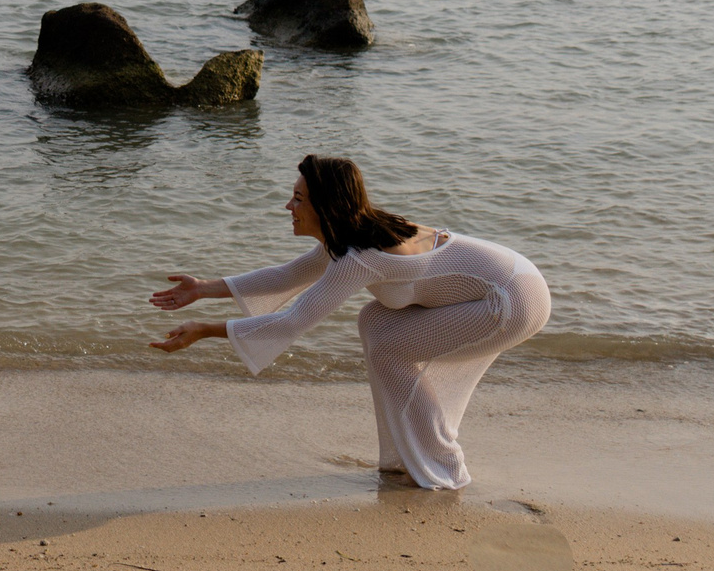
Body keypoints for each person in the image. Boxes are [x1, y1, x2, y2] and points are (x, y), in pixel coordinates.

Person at [148, 155, 549, 490]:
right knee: (375, 321)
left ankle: (445, 467)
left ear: (325, 206)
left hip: (514, 299)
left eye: (298, 199)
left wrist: (204, 330)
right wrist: (201, 289)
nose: (288, 207)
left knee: (389, 349)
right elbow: (288, 276)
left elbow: (293, 320)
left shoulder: (360, 256)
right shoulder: (353, 234)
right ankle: (411, 458)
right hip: (517, 279)